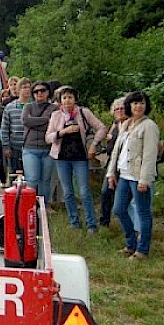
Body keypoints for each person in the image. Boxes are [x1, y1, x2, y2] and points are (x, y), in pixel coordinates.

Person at [107, 91, 160, 260]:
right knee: (119, 209)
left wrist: (145, 179)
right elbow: (116, 151)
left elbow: (150, 155)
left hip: (139, 176)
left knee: (143, 212)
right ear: (129, 105)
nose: (138, 106)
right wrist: (111, 173)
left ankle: (142, 250)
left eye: (142, 103)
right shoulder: (126, 124)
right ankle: (131, 243)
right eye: (135, 103)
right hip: (124, 174)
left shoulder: (149, 126)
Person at [45, 86, 107, 233]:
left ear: (75, 99)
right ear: (60, 101)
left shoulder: (83, 113)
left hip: (80, 157)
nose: (67, 101)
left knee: (84, 191)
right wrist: (63, 132)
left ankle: (91, 224)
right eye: (64, 98)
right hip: (62, 158)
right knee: (67, 191)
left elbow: (102, 128)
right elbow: (48, 137)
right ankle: (74, 222)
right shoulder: (56, 116)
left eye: (70, 97)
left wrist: (94, 144)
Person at [21, 81, 58, 203]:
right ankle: (29, 205)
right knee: (32, 179)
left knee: (45, 180)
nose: (40, 93)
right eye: (36, 91)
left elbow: (53, 125)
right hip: (30, 148)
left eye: (42, 90)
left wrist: (34, 121)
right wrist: (46, 121)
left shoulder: (54, 108)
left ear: (48, 92)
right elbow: (25, 121)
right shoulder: (28, 106)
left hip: (48, 148)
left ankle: (44, 205)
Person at [99, 97, 127, 226]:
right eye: (117, 109)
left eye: (122, 108)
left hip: (126, 164)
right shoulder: (116, 124)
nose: (120, 111)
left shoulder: (131, 124)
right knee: (106, 192)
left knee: (124, 196)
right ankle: (104, 221)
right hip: (112, 163)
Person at [1, 77, 32, 176]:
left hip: (31, 147)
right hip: (14, 147)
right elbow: (4, 128)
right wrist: (6, 146)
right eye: (24, 87)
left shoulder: (35, 106)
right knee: (14, 175)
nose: (27, 89)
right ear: (18, 90)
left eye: (29, 87)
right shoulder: (10, 107)